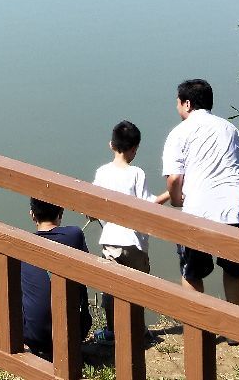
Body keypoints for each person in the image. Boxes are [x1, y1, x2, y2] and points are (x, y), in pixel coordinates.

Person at [162, 79, 239, 307]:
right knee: (234, 270)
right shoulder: (231, 130)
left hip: (197, 212)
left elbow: (174, 178)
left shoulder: (179, 133)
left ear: (187, 104)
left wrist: (175, 200)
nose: (177, 107)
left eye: (178, 102)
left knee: (192, 273)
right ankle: (233, 328)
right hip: (233, 211)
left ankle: (200, 329)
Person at [92, 120, 169, 344]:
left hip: (111, 241)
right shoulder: (137, 173)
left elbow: (94, 204)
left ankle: (112, 332)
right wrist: (169, 194)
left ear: (111, 145)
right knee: (137, 288)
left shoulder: (102, 172)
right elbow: (148, 205)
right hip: (135, 243)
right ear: (135, 148)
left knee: (111, 289)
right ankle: (138, 330)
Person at [20, 198, 92, 359]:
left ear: (32, 215)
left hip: (35, 338)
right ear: (61, 213)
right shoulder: (74, 235)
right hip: (74, 332)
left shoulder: (22, 243)